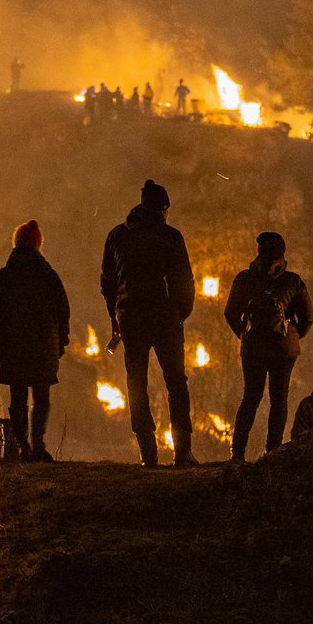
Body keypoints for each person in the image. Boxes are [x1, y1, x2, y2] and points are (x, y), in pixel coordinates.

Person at [100, 178, 197, 466]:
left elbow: (108, 282)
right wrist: (181, 313)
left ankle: (148, 453)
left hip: (130, 318)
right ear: (163, 208)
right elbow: (185, 281)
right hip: (166, 318)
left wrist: (115, 316)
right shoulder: (171, 237)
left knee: (136, 382)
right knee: (177, 382)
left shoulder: (117, 236)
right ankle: (183, 452)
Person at [224, 231, 313, 462]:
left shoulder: (244, 278)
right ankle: (272, 451)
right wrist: (292, 335)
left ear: (258, 252)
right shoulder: (293, 281)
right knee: (279, 398)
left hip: (253, 347)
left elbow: (231, 313)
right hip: (284, 349)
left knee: (250, 397)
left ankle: (237, 453)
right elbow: (308, 317)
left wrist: (245, 335)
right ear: (282, 254)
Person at [0, 220, 70, 462]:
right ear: (38, 244)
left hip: (13, 345)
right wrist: (60, 341)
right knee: (41, 396)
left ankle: (23, 446)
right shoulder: (48, 275)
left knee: (18, 396)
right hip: (44, 345)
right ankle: (38, 445)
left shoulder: (5, 275)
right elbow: (63, 310)